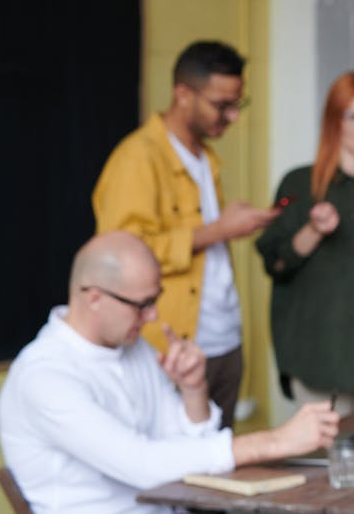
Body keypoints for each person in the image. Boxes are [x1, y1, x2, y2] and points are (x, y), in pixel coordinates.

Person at [0, 232, 339, 514]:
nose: (153, 316)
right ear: (95, 298)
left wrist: (194, 391)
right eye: (142, 304)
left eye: (155, 300)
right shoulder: (45, 377)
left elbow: (188, 451)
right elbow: (143, 465)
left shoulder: (134, 348)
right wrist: (275, 442)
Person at [92, 40, 278, 428]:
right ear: (183, 94)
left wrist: (227, 224)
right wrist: (219, 229)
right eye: (221, 105)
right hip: (171, 348)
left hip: (224, 339)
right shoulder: (138, 157)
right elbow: (120, 259)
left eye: (237, 104)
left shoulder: (206, 157)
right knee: (175, 458)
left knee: (218, 456)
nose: (232, 117)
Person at [256, 72, 354, 416]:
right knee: (328, 452)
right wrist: (313, 230)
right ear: (335, 119)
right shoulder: (298, 184)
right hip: (319, 361)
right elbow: (275, 263)